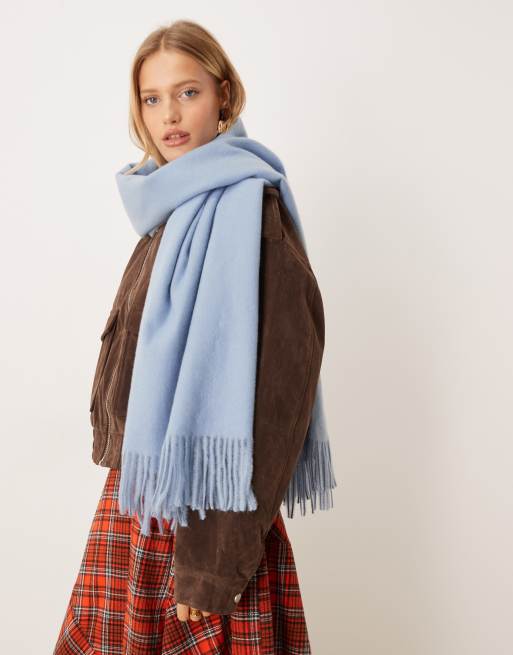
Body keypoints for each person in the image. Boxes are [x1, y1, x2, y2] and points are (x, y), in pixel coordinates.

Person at [53, 19, 336, 655]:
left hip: (207, 527)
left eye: (188, 92)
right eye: (152, 98)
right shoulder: (170, 214)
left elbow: (277, 404)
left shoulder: (253, 217)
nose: (170, 115)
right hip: (140, 509)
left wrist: (214, 563)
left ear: (223, 95)